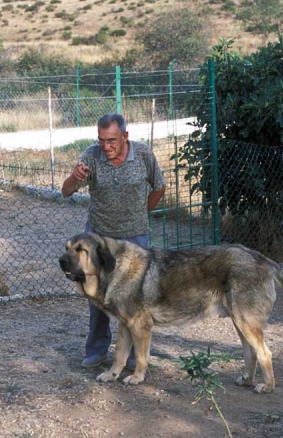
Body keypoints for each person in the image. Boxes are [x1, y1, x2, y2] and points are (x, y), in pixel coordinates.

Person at [61, 113, 166, 370]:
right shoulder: (91, 156)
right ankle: (97, 351)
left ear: (125, 136)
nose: (106, 147)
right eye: (101, 140)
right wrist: (75, 178)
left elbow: (160, 187)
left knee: (135, 298)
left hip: (135, 237)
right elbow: (66, 191)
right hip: (98, 240)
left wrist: (142, 213)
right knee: (96, 295)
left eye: (112, 141)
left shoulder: (142, 155)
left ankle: (133, 357)